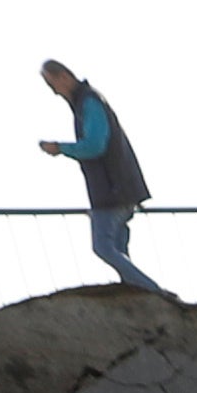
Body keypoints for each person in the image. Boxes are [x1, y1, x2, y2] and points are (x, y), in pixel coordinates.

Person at [35, 61, 162, 294]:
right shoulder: (88, 101)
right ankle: (139, 297)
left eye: (51, 84)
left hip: (112, 191)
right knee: (118, 249)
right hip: (122, 188)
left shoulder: (89, 102)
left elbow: (94, 145)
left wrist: (61, 148)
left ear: (62, 76)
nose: (53, 91)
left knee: (103, 246)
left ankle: (155, 294)